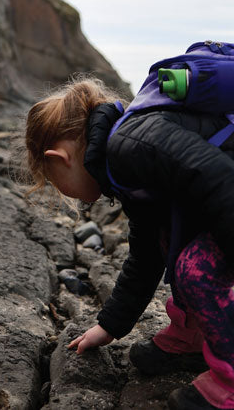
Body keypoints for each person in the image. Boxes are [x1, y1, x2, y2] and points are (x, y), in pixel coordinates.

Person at [25, 76, 234, 410]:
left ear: (60, 157)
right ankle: (195, 337)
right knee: (171, 243)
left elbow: (219, 180)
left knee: (197, 269)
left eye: (52, 181)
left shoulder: (130, 146)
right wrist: (109, 325)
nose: (64, 193)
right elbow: (147, 253)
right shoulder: (121, 167)